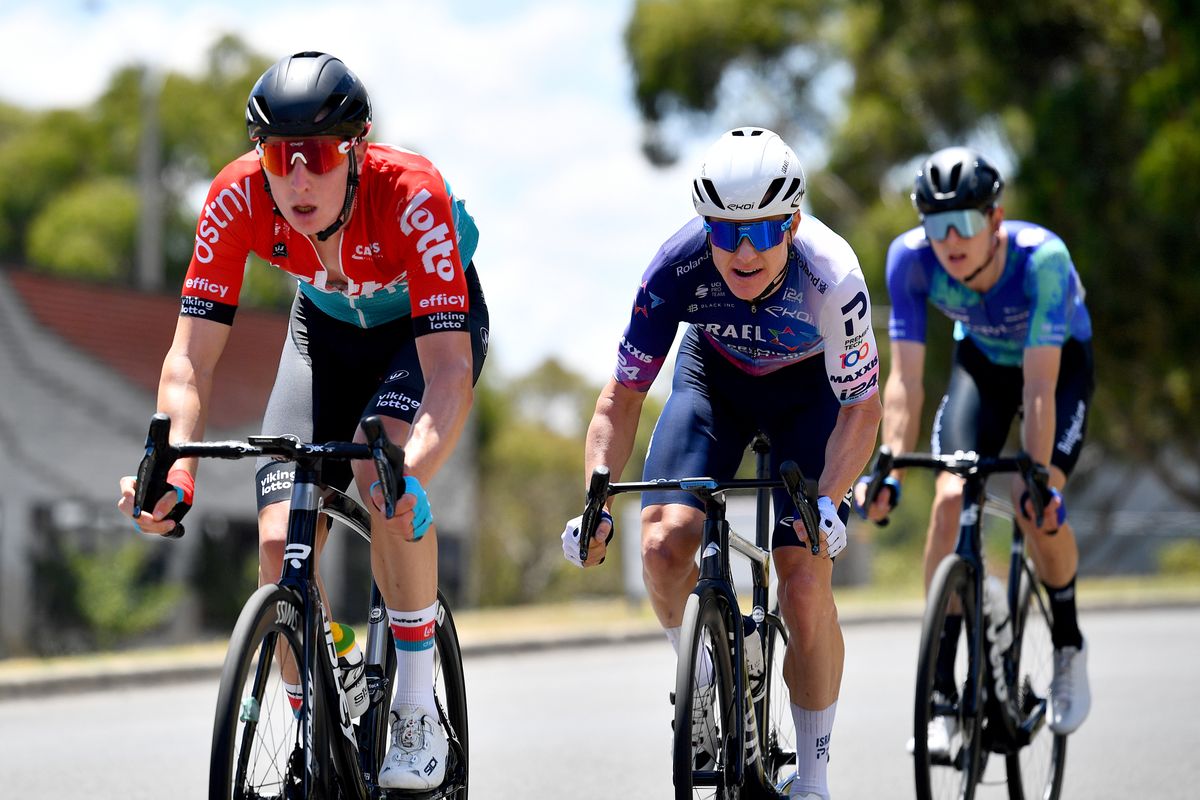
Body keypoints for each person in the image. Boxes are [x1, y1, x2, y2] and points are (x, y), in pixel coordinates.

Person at [117, 51, 488, 791]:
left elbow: (448, 369)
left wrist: (412, 465)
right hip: (320, 333)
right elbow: (189, 360)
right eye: (278, 157)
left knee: (375, 470)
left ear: (356, 148)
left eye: (317, 155)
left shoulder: (413, 193)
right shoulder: (234, 198)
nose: (297, 178)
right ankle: (310, 715)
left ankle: (415, 703)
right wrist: (174, 462)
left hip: (417, 333)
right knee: (277, 538)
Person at [562, 127, 882, 800]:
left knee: (801, 578)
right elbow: (620, 398)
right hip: (716, 380)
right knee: (662, 543)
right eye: (723, 230)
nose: (741, 250)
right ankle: (701, 672)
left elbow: (861, 411)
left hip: (811, 397)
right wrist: (594, 498)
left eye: (762, 233)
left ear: (792, 225)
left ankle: (814, 776)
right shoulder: (674, 266)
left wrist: (828, 501)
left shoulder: (833, 273)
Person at [856, 146, 1093, 752]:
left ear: (996, 219)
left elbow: (1040, 388)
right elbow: (905, 379)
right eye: (936, 224)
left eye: (965, 222)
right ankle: (940, 693)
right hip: (982, 366)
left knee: (1033, 505)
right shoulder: (909, 261)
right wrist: (888, 465)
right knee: (948, 497)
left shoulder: (1043, 261)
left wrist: (1037, 476)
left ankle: (1067, 644)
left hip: (1056, 370)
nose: (951, 240)